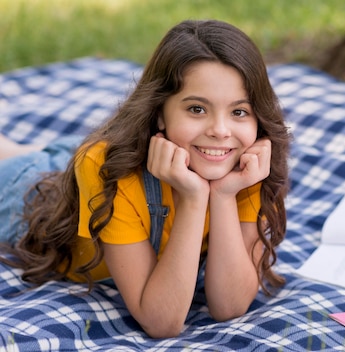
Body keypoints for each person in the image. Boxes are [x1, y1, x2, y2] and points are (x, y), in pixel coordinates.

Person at [0, 19, 290, 338]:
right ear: (160, 113)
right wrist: (194, 199)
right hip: (29, 196)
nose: (221, 131)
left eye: (238, 112)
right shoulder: (107, 168)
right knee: (38, 160)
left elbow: (229, 306)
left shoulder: (246, 164)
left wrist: (221, 196)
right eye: (197, 109)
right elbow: (162, 322)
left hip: (121, 154)